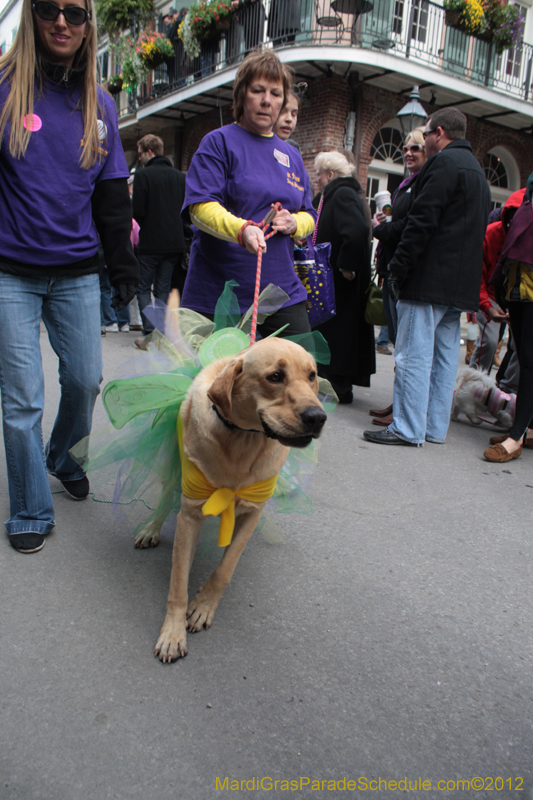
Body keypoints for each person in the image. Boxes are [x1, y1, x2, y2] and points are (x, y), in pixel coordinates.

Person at [0, 0, 138, 553]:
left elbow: (111, 200)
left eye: (76, 13)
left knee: (84, 379)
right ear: (33, 17)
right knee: (22, 397)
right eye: (51, 9)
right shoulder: (5, 88)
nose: (63, 21)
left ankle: (61, 456)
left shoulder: (99, 103)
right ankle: (31, 505)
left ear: (88, 26)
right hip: (11, 269)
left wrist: (124, 270)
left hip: (78, 271)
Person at [363, 108, 490, 446]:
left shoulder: (443, 164)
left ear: (440, 133)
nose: (426, 139)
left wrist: (398, 269)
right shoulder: (477, 172)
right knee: (445, 358)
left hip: (429, 279)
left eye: (428, 133)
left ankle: (406, 428)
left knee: (413, 356)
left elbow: (422, 222)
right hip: (458, 285)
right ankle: (433, 427)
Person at [180, 49, 316, 336]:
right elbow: (200, 208)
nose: (268, 101)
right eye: (258, 90)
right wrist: (241, 230)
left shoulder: (291, 155)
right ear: (242, 95)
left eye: (276, 93)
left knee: (301, 377)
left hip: (283, 293)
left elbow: (310, 215)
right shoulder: (217, 143)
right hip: (219, 295)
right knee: (221, 381)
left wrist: (295, 223)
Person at [369, 127, 427, 425]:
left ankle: (402, 407)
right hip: (391, 267)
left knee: (405, 348)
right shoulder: (407, 183)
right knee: (397, 346)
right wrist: (384, 221)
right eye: (406, 148)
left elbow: (406, 227)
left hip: (403, 273)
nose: (408, 153)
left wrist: (380, 228)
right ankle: (397, 402)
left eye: (415, 148)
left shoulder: (421, 184)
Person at [313, 151, 375, 402]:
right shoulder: (335, 195)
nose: (316, 179)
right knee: (336, 332)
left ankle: (339, 386)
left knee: (340, 333)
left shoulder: (342, 194)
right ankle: (335, 382)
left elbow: (357, 229)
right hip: (335, 278)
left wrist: (347, 265)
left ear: (330, 175)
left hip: (341, 280)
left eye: (319, 174)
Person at [484, 185, 533, 462]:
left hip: (527, 282)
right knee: (526, 359)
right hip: (519, 282)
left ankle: (517, 435)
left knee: (528, 361)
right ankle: (525, 429)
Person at [133, 134, 187, 349]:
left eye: (140, 155)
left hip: (150, 242)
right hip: (175, 243)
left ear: (149, 152)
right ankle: (162, 331)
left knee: (143, 287)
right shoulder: (179, 177)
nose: (139, 159)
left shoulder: (143, 176)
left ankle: (149, 330)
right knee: (163, 288)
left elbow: (137, 211)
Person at [467, 188, 524, 373]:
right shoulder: (490, 234)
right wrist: (487, 306)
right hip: (491, 294)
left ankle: (509, 390)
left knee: (522, 346)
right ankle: (472, 384)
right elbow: (477, 277)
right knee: (489, 341)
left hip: (520, 296)